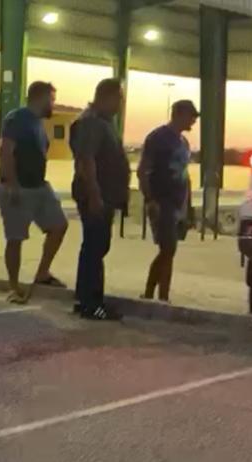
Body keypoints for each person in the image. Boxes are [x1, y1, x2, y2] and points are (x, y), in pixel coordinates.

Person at [0, 81, 69, 304]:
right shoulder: (17, 118)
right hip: (18, 188)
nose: (53, 104)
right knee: (15, 238)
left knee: (59, 225)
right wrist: (11, 184)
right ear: (40, 97)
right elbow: (5, 150)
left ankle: (42, 274)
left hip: (39, 187)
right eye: (52, 99)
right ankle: (14, 286)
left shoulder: (37, 123)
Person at [70, 79, 130, 321]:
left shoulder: (103, 122)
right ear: (107, 97)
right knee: (95, 247)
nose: (121, 103)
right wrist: (95, 195)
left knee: (96, 246)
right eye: (119, 98)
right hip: (96, 195)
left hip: (104, 195)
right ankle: (91, 303)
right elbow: (86, 160)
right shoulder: (92, 122)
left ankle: (86, 298)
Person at [138, 100, 199, 302]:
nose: (194, 120)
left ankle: (158, 294)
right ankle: (155, 293)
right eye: (191, 116)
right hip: (161, 200)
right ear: (179, 114)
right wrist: (150, 200)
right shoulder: (157, 138)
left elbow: (185, 175)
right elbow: (143, 170)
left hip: (178, 202)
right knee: (168, 247)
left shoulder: (184, 142)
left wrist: (188, 206)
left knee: (169, 251)